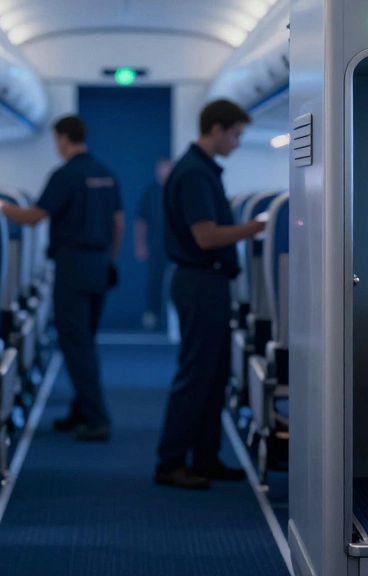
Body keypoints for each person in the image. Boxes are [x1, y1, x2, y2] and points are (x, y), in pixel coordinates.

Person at [154, 99, 265, 489]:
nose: (236, 143)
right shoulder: (195, 174)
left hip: (208, 282)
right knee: (196, 374)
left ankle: (204, 457)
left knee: (215, 374)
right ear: (215, 129)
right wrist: (254, 226)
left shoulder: (201, 171)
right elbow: (206, 236)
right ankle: (170, 463)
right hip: (200, 282)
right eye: (235, 135)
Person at [0, 115, 124, 441]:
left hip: (73, 268)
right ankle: (82, 409)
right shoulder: (105, 173)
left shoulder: (66, 175)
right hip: (99, 266)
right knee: (85, 342)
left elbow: (33, 217)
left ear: (63, 139)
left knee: (75, 344)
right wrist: (109, 258)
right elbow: (118, 222)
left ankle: (97, 419)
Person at [134, 157, 171, 331]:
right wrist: (140, 245)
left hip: (175, 247)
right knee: (154, 280)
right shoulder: (150, 192)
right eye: (161, 169)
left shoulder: (177, 192)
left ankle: (172, 317)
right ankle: (152, 314)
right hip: (156, 245)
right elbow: (141, 221)